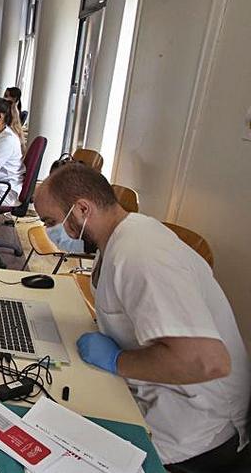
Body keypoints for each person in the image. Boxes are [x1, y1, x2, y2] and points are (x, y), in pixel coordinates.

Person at [34, 164, 250, 469]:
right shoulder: (117, 237)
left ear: (82, 208)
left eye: (51, 221)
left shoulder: (140, 253)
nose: (49, 230)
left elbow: (208, 361)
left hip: (195, 428)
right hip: (157, 394)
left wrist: (116, 361)